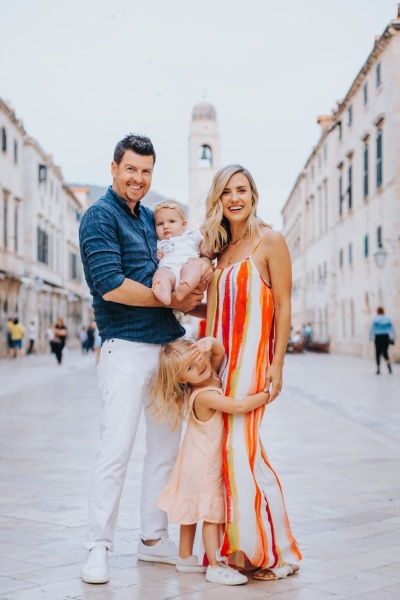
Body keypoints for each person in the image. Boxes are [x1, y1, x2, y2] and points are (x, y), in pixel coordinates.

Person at [79, 134, 213, 584]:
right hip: (125, 349)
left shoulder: (150, 220)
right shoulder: (98, 216)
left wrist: (205, 306)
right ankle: (98, 546)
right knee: (114, 450)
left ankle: (153, 540)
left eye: (146, 171)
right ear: (114, 168)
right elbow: (111, 285)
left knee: (163, 453)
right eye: (131, 169)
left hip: (167, 350)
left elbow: (175, 286)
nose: (138, 179)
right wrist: (172, 298)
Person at [197, 164, 302, 581]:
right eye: (226, 192)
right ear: (218, 200)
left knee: (241, 450)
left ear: (253, 194)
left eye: (241, 190)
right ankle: (255, 547)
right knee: (234, 453)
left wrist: (277, 364)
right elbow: (211, 313)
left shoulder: (270, 240)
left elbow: (284, 305)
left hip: (254, 362)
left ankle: (265, 551)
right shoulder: (220, 249)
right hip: (220, 367)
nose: (234, 198)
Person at [151, 336, 270, 586]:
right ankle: (215, 566)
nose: (201, 366)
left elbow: (218, 352)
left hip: (193, 460)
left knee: (192, 511)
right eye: (191, 368)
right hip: (205, 463)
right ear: (183, 379)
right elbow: (238, 406)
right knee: (210, 514)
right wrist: (267, 395)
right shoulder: (203, 395)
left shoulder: (209, 375)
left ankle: (185, 558)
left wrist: (208, 343)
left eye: (198, 359)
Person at [152, 201, 212, 305]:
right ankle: (163, 291)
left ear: (183, 224)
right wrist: (157, 254)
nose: (165, 226)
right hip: (169, 269)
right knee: (161, 274)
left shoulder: (192, 235)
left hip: (188, 266)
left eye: (171, 221)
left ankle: (185, 285)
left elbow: (207, 251)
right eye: (160, 223)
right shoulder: (159, 243)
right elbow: (154, 256)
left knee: (193, 266)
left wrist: (207, 236)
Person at [370, 307, 396, 374]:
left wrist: (370, 338)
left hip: (378, 338)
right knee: (385, 352)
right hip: (385, 337)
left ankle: (378, 369)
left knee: (378, 353)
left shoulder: (376, 320)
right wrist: (393, 338)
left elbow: (372, 330)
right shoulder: (387, 319)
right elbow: (392, 329)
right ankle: (389, 366)